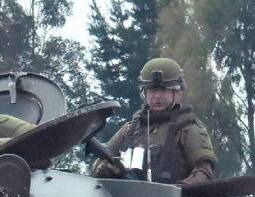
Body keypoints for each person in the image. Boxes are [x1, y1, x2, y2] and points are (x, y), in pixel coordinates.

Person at [92, 57, 217, 186]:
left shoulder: (187, 128)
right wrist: (104, 169)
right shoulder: (130, 130)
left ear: (176, 92)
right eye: (152, 90)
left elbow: (204, 172)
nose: (157, 96)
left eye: (163, 90)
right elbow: (102, 160)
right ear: (145, 93)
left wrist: (176, 191)